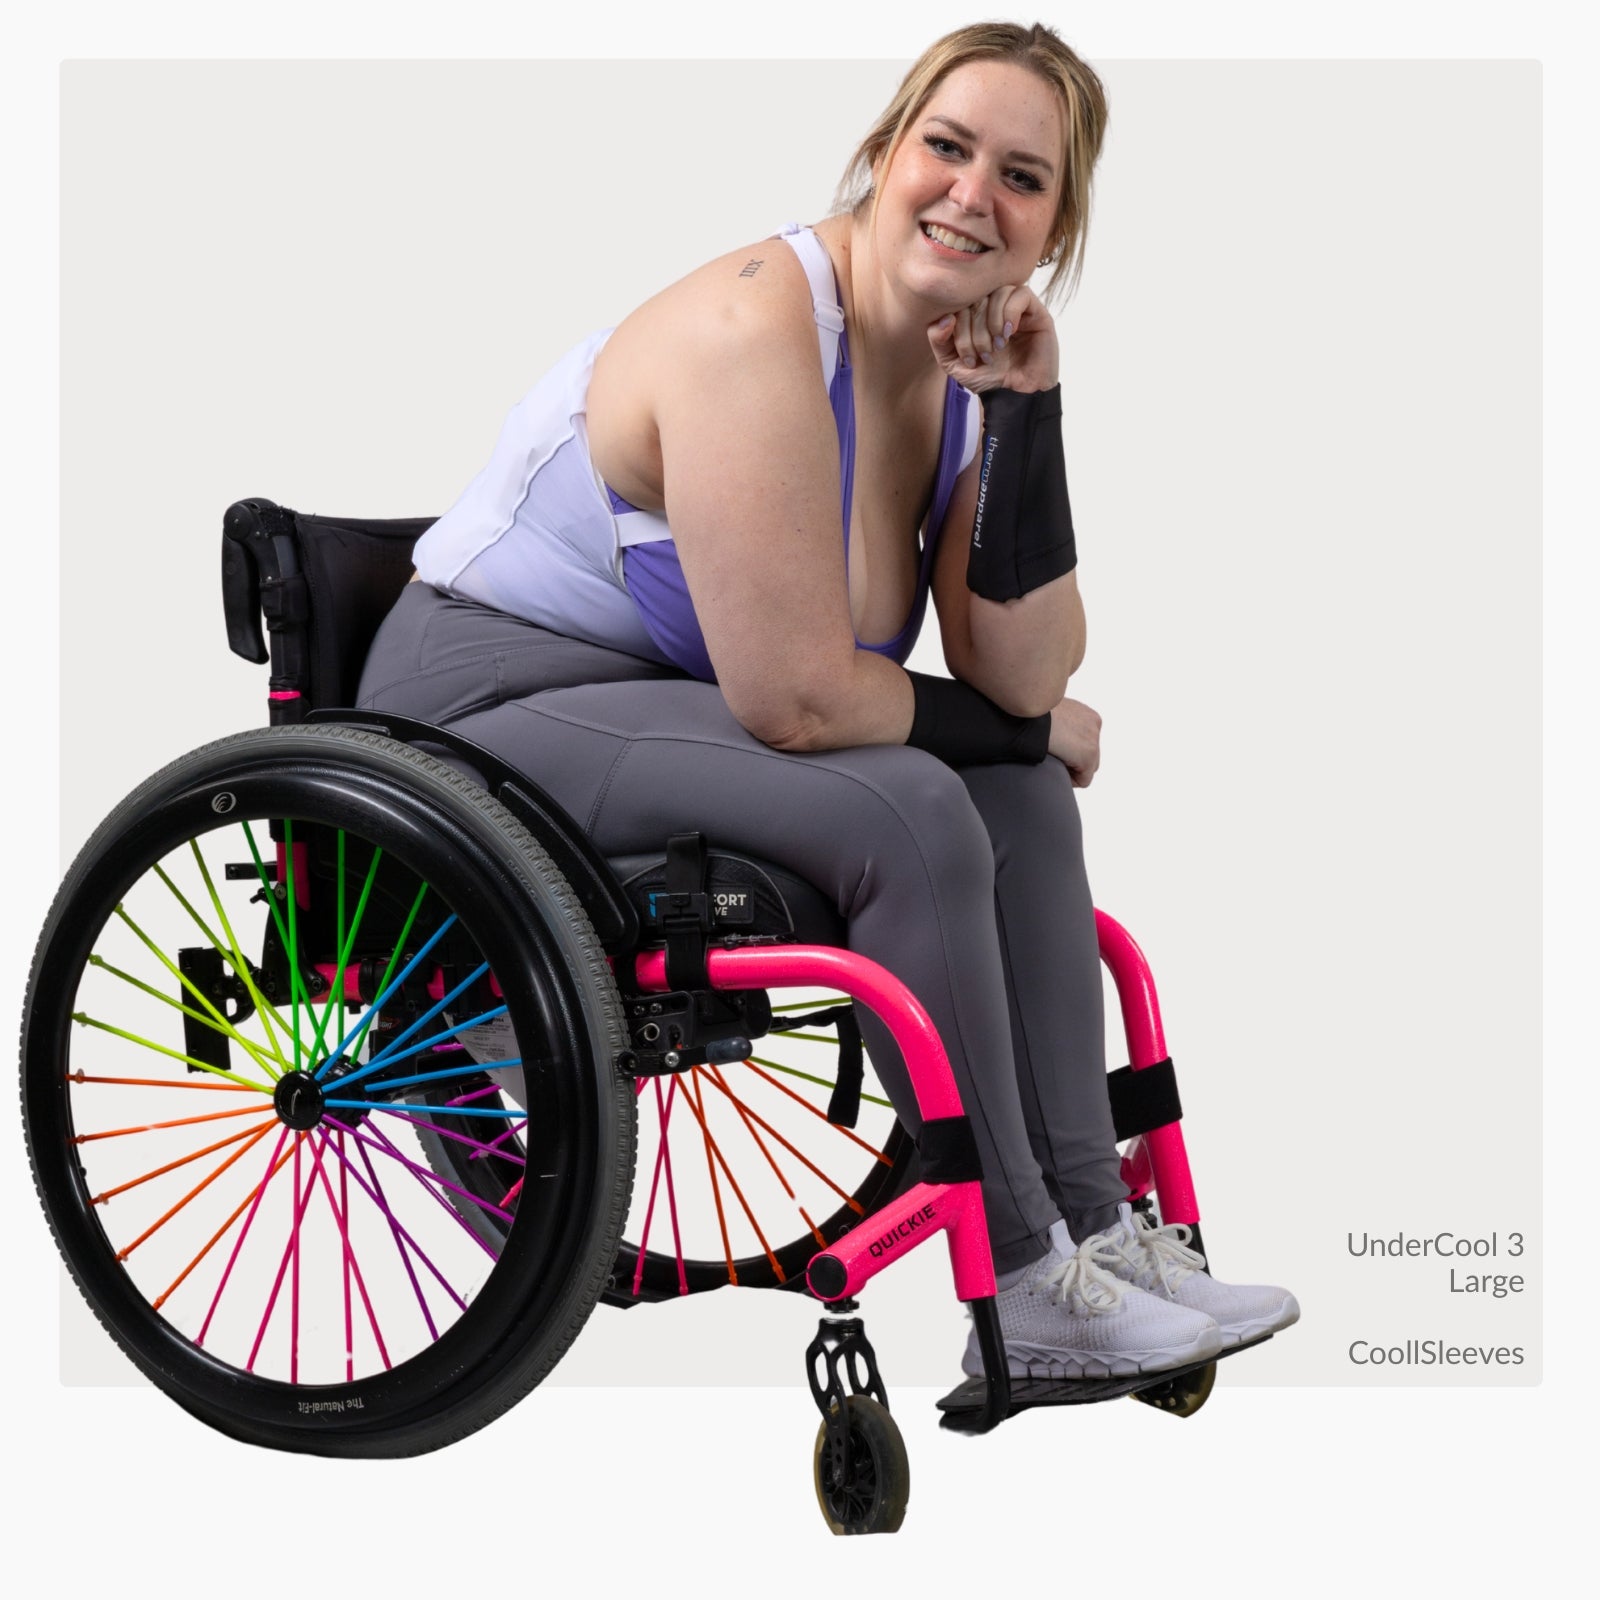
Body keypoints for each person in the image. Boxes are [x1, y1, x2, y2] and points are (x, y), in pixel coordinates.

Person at [357, 19, 1297, 1379]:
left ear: (1057, 227)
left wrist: (1027, 416)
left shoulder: (965, 365)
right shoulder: (756, 327)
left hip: (660, 712)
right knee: (911, 806)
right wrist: (1024, 726)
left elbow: (1022, 676)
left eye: (1022, 179)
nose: (974, 195)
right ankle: (1021, 1274)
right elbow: (800, 702)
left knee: (1015, 792)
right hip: (487, 715)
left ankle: (1098, 1233)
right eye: (947, 148)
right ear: (884, 152)